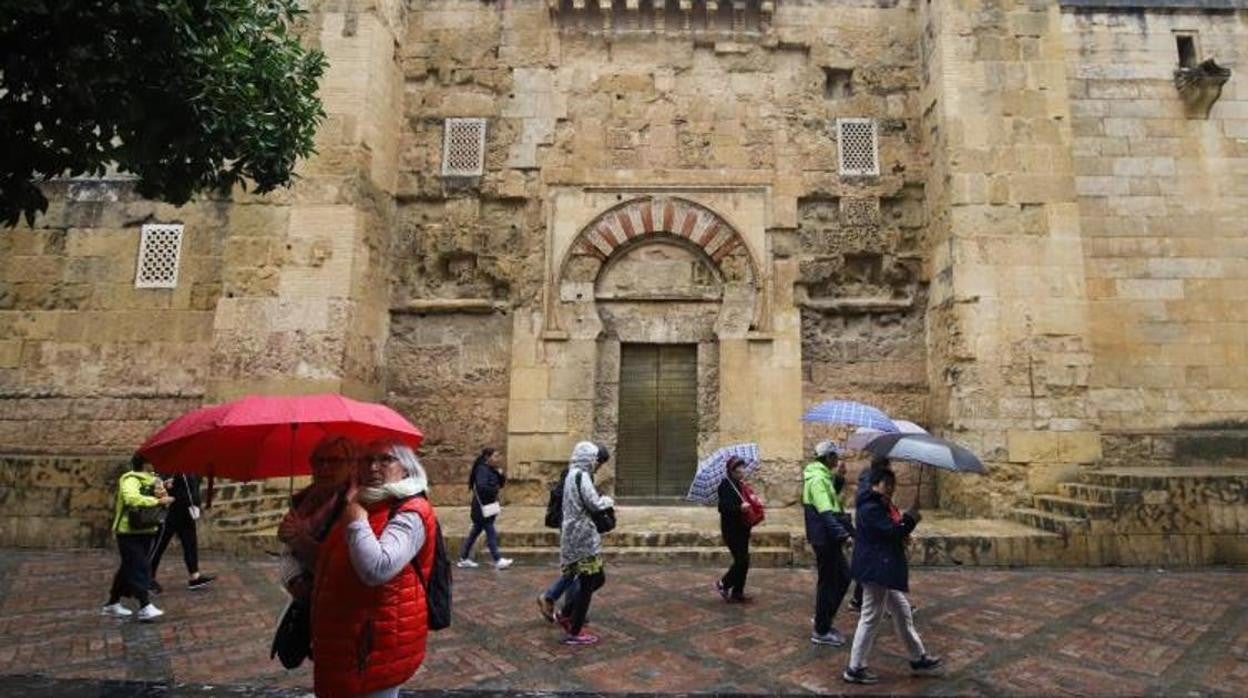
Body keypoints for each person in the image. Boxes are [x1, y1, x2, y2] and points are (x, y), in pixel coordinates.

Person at [312, 439, 439, 698]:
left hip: (374, 641)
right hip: (346, 636)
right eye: (367, 460)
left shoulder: (411, 512)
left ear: (406, 468)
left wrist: (357, 521)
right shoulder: (364, 504)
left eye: (385, 460)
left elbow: (377, 569)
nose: (373, 467)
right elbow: (332, 562)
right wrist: (297, 539)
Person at [842, 468, 943, 685]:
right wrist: (911, 519)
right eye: (886, 484)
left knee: (901, 610)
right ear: (875, 484)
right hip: (876, 568)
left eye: (892, 485)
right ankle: (855, 667)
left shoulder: (881, 505)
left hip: (881, 566)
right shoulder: (870, 507)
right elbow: (892, 531)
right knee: (870, 616)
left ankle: (917, 657)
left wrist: (904, 526)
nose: (890, 489)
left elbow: (892, 530)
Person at [277, 436, 357, 602]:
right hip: (305, 599)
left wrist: (299, 539)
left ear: (351, 465)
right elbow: (287, 554)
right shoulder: (303, 500)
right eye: (318, 461)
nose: (324, 467)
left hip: (339, 602)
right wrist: (293, 579)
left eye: (334, 461)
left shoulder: (355, 505)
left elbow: (342, 565)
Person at [536, 445, 608, 624]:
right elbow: (586, 503)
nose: (599, 467)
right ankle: (565, 607)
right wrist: (603, 502)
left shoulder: (580, 472)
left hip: (574, 527)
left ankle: (568, 608)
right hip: (574, 528)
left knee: (577, 570)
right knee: (582, 571)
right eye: (599, 462)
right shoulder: (577, 474)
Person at [555, 441, 614, 645]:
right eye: (595, 460)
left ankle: (567, 613)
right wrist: (607, 500)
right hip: (583, 539)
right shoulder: (581, 477)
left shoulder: (572, 474)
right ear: (587, 459)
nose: (597, 464)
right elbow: (595, 504)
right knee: (591, 581)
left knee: (596, 579)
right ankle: (575, 629)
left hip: (576, 536)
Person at [101, 454, 173, 621]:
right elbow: (131, 498)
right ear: (145, 463)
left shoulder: (155, 480)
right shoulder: (130, 479)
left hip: (147, 530)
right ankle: (144, 605)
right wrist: (156, 502)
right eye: (153, 461)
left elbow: (162, 500)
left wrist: (162, 495)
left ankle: (112, 603)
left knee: (128, 567)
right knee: (140, 566)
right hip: (128, 531)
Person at [804, 440, 853, 646]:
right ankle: (821, 629)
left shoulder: (823, 476)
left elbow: (831, 495)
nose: (838, 459)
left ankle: (823, 618)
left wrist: (840, 477)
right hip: (825, 539)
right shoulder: (817, 480)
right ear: (828, 457)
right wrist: (844, 535)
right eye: (836, 456)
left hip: (827, 538)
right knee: (830, 581)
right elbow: (826, 513)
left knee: (841, 577)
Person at [148, 471, 215, 593]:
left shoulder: (192, 469)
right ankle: (147, 577)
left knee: (190, 544)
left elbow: (193, 487)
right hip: (171, 513)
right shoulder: (170, 467)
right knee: (159, 545)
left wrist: (196, 503)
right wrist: (165, 484)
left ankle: (194, 576)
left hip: (187, 512)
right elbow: (157, 484)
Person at [457, 447, 514, 570]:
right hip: (482, 508)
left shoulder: (491, 469)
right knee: (490, 532)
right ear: (488, 457)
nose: (498, 459)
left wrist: (500, 473)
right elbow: (482, 487)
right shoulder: (482, 470)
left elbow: (502, 483)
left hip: (488, 507)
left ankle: (463, 558)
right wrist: (494, 489)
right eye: (495, 456)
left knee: (475, 532)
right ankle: (497, 559)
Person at [715, 456, 755, 603]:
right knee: (741, 560)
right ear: (731, 471)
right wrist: (739, 508)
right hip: (731, 530)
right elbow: (722, 507)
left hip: (743, 528)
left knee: (745, 560)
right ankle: (723, 583)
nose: (742, 471)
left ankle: (737, 592)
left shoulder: (740, 485)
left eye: (742, 468)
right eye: (739, 469)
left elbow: (747, 500)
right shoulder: (725, 486)